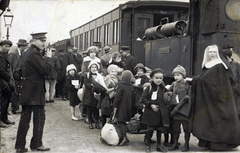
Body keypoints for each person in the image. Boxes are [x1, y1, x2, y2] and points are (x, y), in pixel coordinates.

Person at [191, 44, 240, 151]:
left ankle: (220, 144)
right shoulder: (207, 64)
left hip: (219, 97)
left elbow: (217, 82)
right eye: (210, 52)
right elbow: (204, 78)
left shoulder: (220, 66)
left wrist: (195, 80)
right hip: (208, 97)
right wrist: (196, 80)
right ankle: (208, 142)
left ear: (217, 53)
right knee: (209, 119)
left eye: (214, 52)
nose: (211, 54)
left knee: (218, 120)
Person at [15, 32, 52, 152]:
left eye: (44, 40)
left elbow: (18, 72)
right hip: (35, 92)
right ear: (34, 40)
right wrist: (49, 58)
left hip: (27, 91)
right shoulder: (34, 54)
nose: (44, 43)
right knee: (39, 118)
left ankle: (20, 146)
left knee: (25, 119)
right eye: (41, 41)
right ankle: (36, 144)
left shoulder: (26, 52)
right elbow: (46, 70)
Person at [140, 68, 169, 152]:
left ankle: (159, 146)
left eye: (161, 78)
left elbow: (166, 98)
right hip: (151, 113)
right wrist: (151, 105)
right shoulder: (149, 88)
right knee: (150, 129)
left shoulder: (163, 88)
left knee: (159, 129)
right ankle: (148, 145)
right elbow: (143, 99)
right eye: (157, 78)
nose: (159, 80)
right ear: (152, 78)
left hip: (160, 113)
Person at [166, 65, 191, 152]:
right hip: (175, 110)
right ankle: (175, 143)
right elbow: (168, 92)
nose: (176, 77)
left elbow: (190, 96)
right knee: (175, 129)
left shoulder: (187, 84)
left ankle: (186, 144)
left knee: (186, 129)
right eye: (175, 75)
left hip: (185, 110)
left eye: (178, 75)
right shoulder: (174, 84)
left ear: (183, 75)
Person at [82, 60, 107, 129]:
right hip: (89, 95)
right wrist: (91, 85)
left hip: (97, 95)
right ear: (90, 68)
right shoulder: (87, 75)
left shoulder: (99, 76)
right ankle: (90, 122)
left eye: (95, 67)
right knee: (89, 109)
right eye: (92, 67)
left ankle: (96, 122)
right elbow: (86, 83)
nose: (94, 68)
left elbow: (102, 84)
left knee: (96, 109)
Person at [112, 70, 135, 146]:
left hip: (121, 107)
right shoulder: (131, 87)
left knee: (121, 122)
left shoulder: (121, 85)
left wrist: (115, 105)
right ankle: (124, 137)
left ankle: (124, 138)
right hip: (128, 107)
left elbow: (117, 97)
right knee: (123, 122)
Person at [8, 39, 28, 114]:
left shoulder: (22, 53)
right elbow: (9, 65)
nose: (25, 48)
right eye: (24, 46)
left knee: (18, 91)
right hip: (13, 75)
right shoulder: (13, 53)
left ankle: (16, 107)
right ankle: (14, 108)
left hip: (19, 75)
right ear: (21, 46)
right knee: (14, 92)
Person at [0, 40, 15, 128]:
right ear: (1, 46)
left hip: (5, 81)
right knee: (2, 101)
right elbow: (1, 70)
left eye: (8, 46)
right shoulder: (1, 56)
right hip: (2, 81)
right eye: (5, 46)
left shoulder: (4, 55)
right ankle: (1, 120)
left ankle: (4, 119)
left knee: (6, 101)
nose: (7, 48)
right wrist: (8, 78)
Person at [223, 48, 240, 120]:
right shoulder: (222, 66)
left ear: (227, 57)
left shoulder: (237, 66)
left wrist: (235, 89)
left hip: (235, 95)